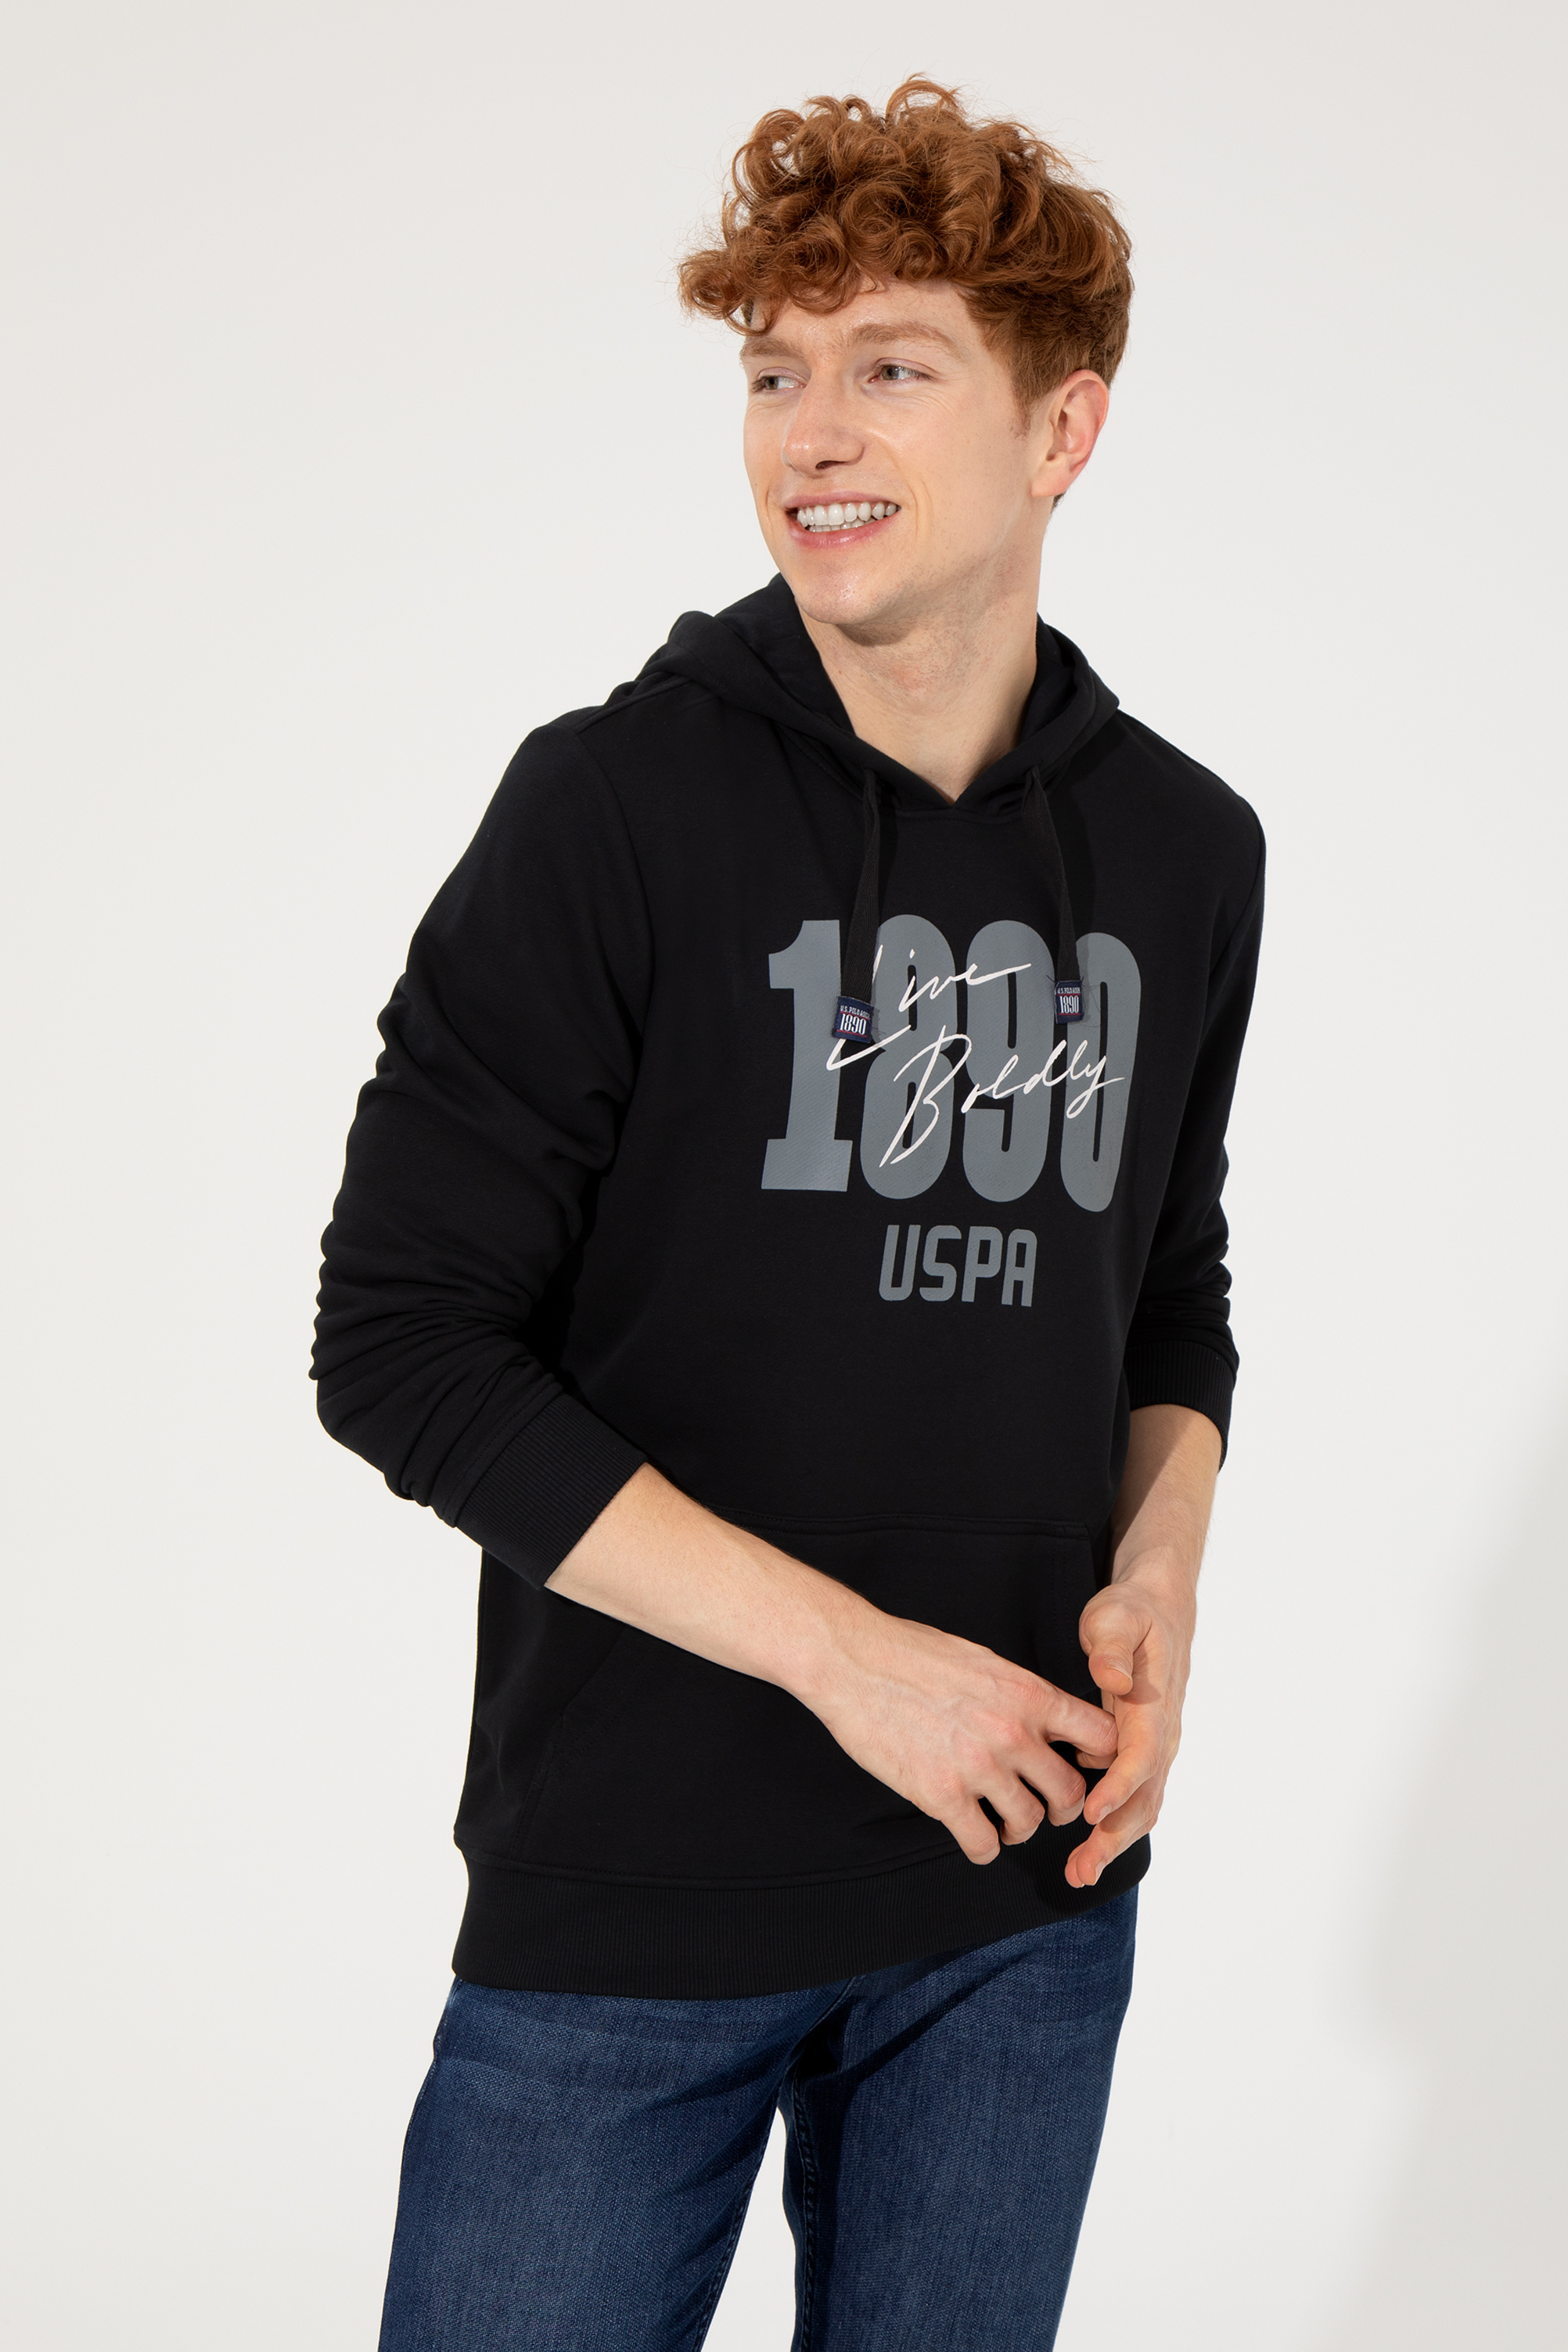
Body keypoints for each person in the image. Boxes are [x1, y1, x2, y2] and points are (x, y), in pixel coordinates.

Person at [313, 76, 1264, 2352]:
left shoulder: (1181, 854)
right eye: (772, 370)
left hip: (1023, 1894)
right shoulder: (608, 810)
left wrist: (1159, 1576)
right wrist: (852, 1664)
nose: (808, 434)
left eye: (890, 366)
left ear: (1062, 428)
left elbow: (1167, 1291)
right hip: (627, 1912)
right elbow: (400, 1345)